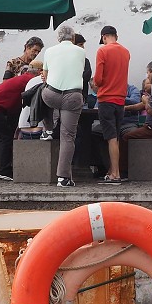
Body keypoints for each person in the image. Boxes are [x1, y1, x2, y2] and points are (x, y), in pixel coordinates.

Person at [40, 22, 87, 187]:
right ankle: (63, 177)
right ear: (73, 38)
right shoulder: (81, 52)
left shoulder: (49, 51)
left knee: (41, 93)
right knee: (68, 137)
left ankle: (48, 128)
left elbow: (45, 75)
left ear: (58, 38)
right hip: (72, 96)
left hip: (51, 94)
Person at [0, 67, 39, 181]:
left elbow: (14, 105)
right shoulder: (30, 80)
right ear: (38, 73)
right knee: (6, 137)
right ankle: (5, 170)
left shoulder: (20, 79)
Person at [92, 25, 131, 184]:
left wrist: (94, 84)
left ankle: (115, 173)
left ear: (103, 37)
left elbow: (99, 80)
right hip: (120, 100)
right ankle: (112, 170)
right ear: (116, 36)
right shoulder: (126, 52)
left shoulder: (103, 51)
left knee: (111, 137)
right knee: (115, 136)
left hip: (106, 99)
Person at [119, 63, 152, 175]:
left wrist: (145, 100)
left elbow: (150, 110)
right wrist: (125, 108)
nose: (147, 77)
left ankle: (123, 170)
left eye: (148, 73)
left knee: (126, 137)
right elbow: (141, 105)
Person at [74, 34, 95, 108]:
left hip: (82, 99)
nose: (83, 47)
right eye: (80, 44)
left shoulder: (85, 61)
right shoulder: (67, 61)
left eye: (83, 44)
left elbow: (86, 76)